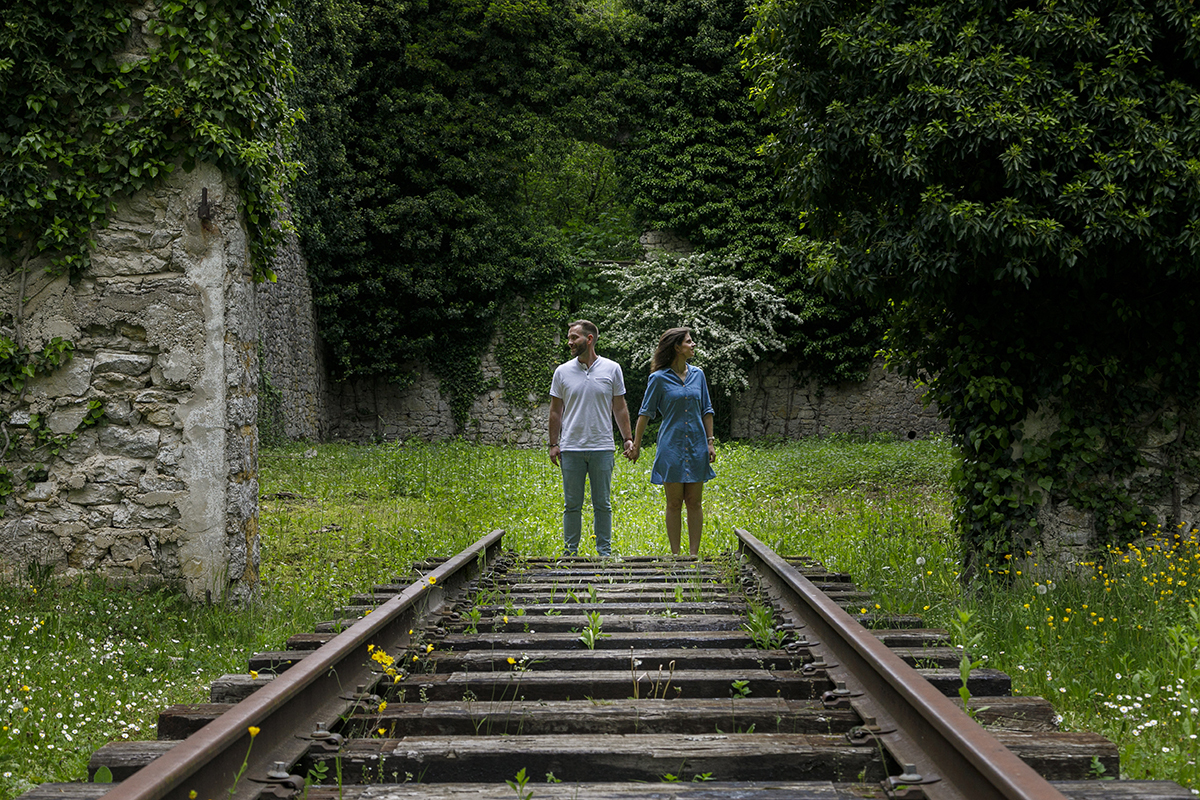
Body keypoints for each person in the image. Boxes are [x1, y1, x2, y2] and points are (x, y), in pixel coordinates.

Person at [548, 320, 635, 557]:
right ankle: (569, 554)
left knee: (603, 505)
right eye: (569, 337)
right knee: (572, 505)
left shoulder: (612, 368)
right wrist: (554, 444)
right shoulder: (562, 372)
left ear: (589, 339)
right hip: (571, 448)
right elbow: (556, 411)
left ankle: (604, 554)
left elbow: (619, 407)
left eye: (574, 337)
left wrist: (628, 438)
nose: (569, 342)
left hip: (603, 447)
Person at [630, 327, 716, 557]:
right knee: (674, 503)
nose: (693, 344)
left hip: (697, 445)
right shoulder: (658, 379)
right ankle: (676, 554)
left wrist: (710, 441)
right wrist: (636, 445)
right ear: (677, 347)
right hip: (671, 447)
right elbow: (644, 414)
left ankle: (693, 555)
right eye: (689, 341)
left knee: (695, 503)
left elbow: (707, 410)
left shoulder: (699, 375)